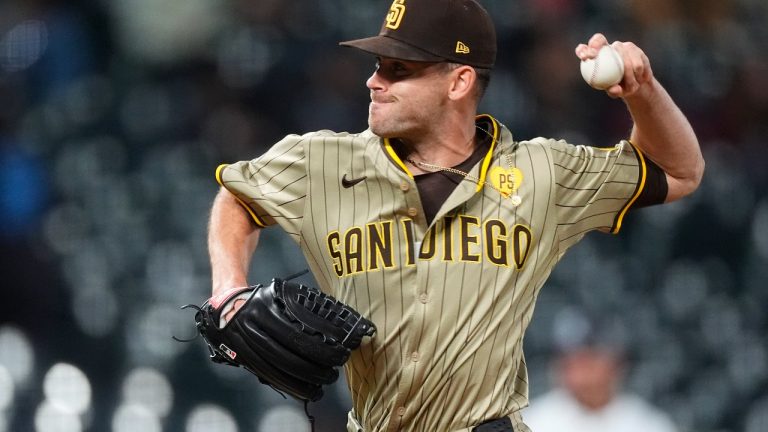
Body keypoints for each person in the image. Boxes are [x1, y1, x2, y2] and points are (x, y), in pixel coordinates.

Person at [206, 0, 704, 431]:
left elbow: (678, 171)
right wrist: (228, 288)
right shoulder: (322, 162)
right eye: (378, 65)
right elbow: (237, 196)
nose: (374, 81)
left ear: (459, 80)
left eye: (398, 69)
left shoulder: (542, 173)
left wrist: (643, 90)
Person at [524, 310, 678, 432]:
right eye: (571, 360)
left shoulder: (647, 424)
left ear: (616, 362)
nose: (580, 371)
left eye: (590, 358)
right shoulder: (534, 421)